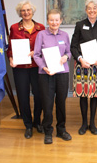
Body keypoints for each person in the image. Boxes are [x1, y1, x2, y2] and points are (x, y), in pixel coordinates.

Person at [7, 0, 45, 139]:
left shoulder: (41, 27)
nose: (26, 12)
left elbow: (45, 46)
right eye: (23, 10)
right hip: (21, 68)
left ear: (32, 11)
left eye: (28, 10)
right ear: (20, 13)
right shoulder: (14, 28)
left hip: (37, 67)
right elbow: (10, 48)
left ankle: (37, 122)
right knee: (23, 97)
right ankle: (28, 125)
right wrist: (11, 58)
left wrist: (35, 51)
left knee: (39, 95)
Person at [70, 0, 97, 135]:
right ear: (86, 10)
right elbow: (73, 46)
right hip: (83, 65)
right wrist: (80, 59)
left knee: (93, 95)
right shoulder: (80, 25)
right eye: (89, 8)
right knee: (83, 94)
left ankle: (92, 123)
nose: (92, 10)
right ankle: (84, 123)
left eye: (94, 8)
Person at [33, 9, 71, 144]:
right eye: (51, 20)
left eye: (57, 20)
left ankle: (61, 130)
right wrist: (44, 67)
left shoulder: (65, 35)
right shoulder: (41, 35)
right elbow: (36, 55)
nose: (54, 22)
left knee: (61, 102)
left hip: (62, 74)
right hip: (46, 74)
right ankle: (48, 131)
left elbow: (69, 52)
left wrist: (66, 57)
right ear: (47, 21)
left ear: (60, 21)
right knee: (47, 104)